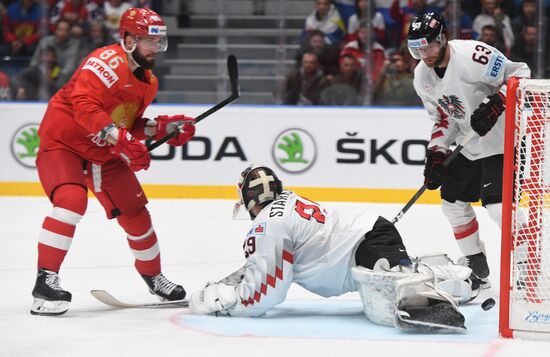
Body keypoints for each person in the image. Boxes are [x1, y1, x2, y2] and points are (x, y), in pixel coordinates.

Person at [31, 7, 196, 316]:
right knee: (70, 201)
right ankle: (45, 281)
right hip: (64, 144)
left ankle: (153, 276)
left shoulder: (148, 81)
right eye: (149, 41)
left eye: (159, 43)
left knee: (137, 214)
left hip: (103, 151)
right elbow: (85, 107)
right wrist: (121, 141)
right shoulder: (104, 62)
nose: (155, 49)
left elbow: (125, 121)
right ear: (129, 39)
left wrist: (160, 128)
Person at [188, 165, 477, 333]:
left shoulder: (267, 226)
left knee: (394, 292)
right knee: (386, 288)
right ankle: (458, 278)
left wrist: (223, 304)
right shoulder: (285, 205)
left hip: (367, 245)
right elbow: (273, 265)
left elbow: (266, 292)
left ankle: (451, 283)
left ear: (249, 198)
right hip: (367, 244)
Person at [407, 12, 530, 289]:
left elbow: (521, 73)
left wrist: (498, 102)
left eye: (427, 46)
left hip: (503, 140)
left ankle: (528, 267)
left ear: (442, 38)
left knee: (499, 208)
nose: (423, 54)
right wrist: (437, 152)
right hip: (470, 144)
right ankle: (477, 265)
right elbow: (444, 119)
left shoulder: (475, 56)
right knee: (451, 203)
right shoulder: (421, 77)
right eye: (416, 49)